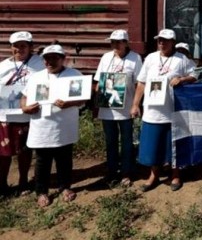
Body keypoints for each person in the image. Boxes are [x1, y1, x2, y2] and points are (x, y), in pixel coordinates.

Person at [131, 29, 196, 192]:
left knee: (173, 145)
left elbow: (197, 74)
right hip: (152, 110)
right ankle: (154, 175)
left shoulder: (181, 59)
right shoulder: (151, 58)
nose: (162, 43)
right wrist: (135, 104)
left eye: (165, 40)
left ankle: (175, 174)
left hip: (172, 111)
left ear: (173, 42)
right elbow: (141, 82)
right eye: (159, 40)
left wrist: (182, 79)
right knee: (153, 145)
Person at [21, 44, 84, 207]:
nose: (50, 61)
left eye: (54, 58)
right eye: (47, 58)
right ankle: (42, 192)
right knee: (42, 161)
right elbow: (24, 96)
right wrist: (25, 108)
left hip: (64, 127)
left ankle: (65, 187)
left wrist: (69, 103)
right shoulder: (36, 77)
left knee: (64, 159)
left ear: (63, 59)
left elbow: (83, 99)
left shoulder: (73, 75)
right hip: (42, 126)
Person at [93, 29, 142, 187]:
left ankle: (127, 172)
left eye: (118, 42)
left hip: (126, 108)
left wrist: (136, 104)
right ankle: (112, 171)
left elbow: (138, 83)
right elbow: (98, 81)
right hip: (107, 107)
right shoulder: (106, 57)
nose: (114, 45)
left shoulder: (135, 58)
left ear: (126, 43)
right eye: (112, 42)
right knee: (110, 141)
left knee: (127, 141)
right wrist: (96, 100)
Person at [0, 31, 45, 196]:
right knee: (3, 153)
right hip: (5, 116)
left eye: (24, 45)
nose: (20, 49)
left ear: (30, 47)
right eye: (16, 46)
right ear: (11, 48)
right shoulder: (3, 66)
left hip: (29, 115)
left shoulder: (39, 63)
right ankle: (2, 183)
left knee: (25, 151)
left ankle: (24, 181)